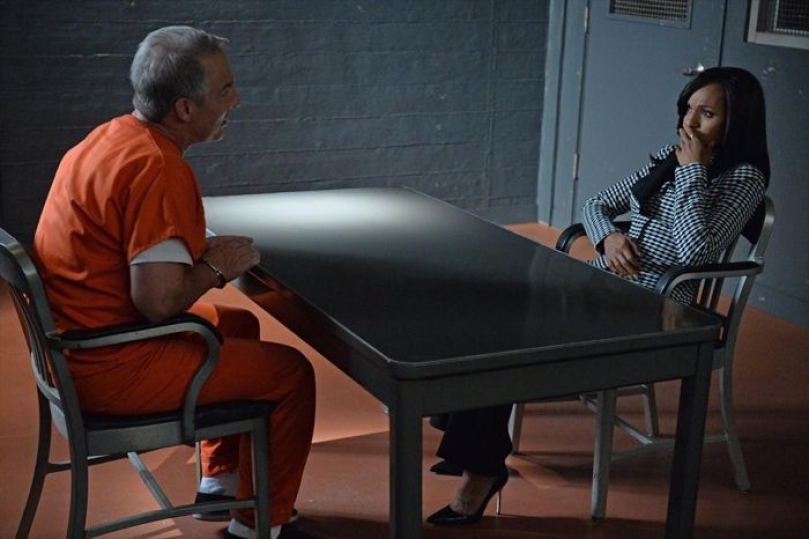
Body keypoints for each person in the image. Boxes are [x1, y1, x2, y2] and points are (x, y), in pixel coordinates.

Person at [426, 66, 770, 527]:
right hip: (606, 286)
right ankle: (472, 448)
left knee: (504, 335)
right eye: (688, 109)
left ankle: (479, 469)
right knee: (488, 306)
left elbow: (696, 252)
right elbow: (596, 204)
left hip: (660, 308)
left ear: (736, 121)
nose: (689, 123)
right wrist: (608, 237)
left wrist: (693, 171)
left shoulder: (742, 179)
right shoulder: (670, 158)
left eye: (706, 114)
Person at [33, 26, 320, 539]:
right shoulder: (157, 168)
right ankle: (258, 526)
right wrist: (216, 268)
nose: (236, 101)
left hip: (72, 349)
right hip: (110, 368)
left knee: (236, 323)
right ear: (185, 109)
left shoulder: (111, 136)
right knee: (291, 374)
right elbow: (158, 302)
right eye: (226, 90)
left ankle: (220, 483)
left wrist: (200, 257)